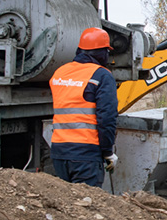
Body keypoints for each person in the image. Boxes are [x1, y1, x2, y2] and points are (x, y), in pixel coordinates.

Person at [49, 27, 118, 187]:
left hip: (59, 152)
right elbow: (107, 118)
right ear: (101, 52)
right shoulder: (102, 75)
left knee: (67, 205)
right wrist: (108, 152)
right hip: (85, 155)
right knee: (87, 206)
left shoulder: (60, 73)